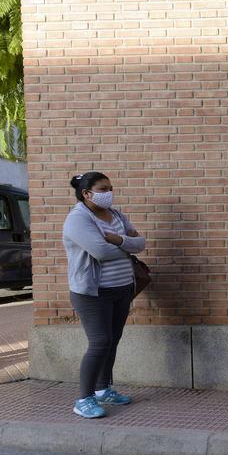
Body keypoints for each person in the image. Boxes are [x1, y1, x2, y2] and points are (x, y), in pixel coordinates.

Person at [63, 172, 145, 418]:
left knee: (112, 339)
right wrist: (124, 243)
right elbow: (100, 251)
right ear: (87, 193)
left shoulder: (116, 215)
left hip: (122, 288)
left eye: (110, 188)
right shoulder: (78, 219)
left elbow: (140, 243)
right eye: (103, 188)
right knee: (99, 343)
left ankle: (103, 389)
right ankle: (83, 399)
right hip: (92, 292)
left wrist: (117, 239)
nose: (109, 192)